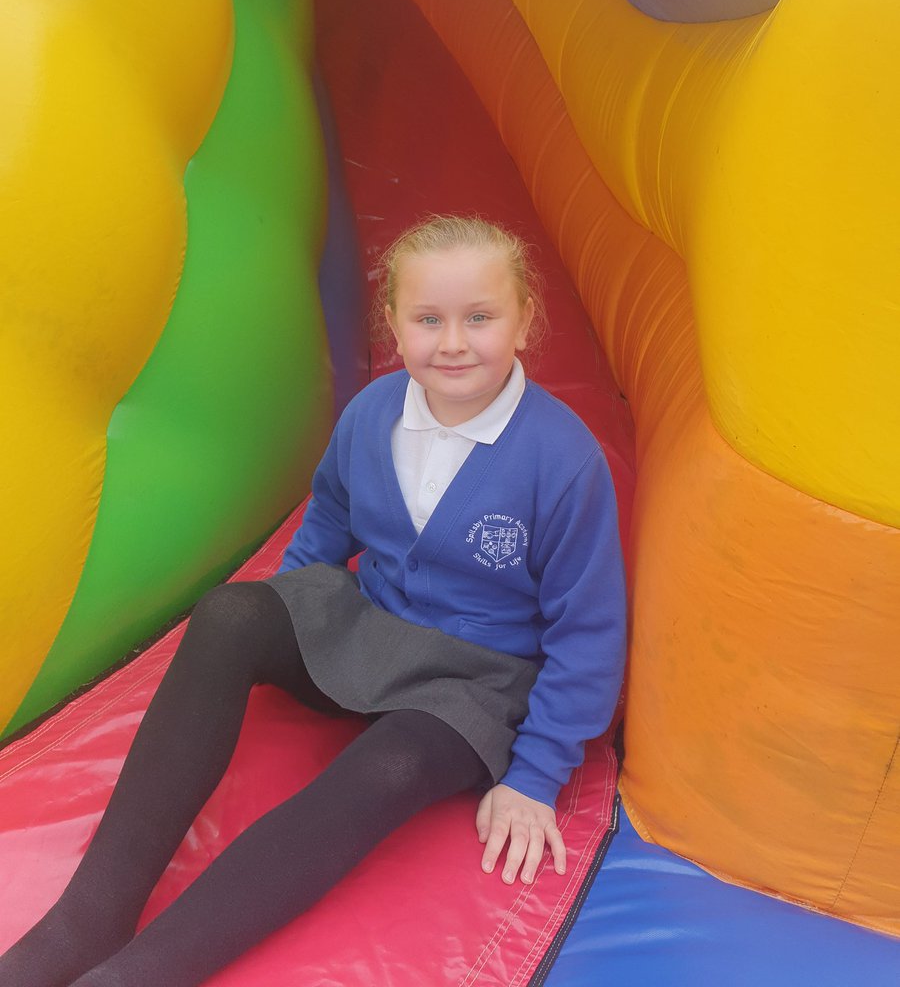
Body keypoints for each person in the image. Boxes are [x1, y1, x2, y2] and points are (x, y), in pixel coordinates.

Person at [0, 214, 626, 987]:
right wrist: (297, 612)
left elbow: (589, 633)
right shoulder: (373, 414)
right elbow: (329, 513)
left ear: (525, 320)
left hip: (473, 679)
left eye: (480, 318)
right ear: (393, 324)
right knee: (230, 612)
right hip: (371, 623)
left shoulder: (563, 461)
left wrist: (536, 775)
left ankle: (143, 973)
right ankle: (85, 919)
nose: (454, 342)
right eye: (428, 319)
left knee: (392, 766)